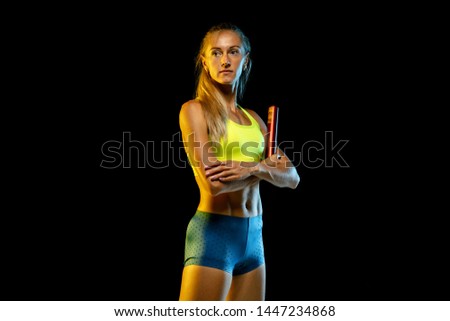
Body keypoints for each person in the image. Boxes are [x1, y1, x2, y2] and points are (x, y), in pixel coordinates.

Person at [178, 22, 300, 301]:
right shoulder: (194, 111)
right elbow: (214, 186)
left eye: (233, 52)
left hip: (254, 237)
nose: (225, 60)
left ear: (246, 61)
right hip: (215, 234)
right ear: (204, 61)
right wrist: (269, 170)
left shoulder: (255, 120)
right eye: (216, 53)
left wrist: (253, 167)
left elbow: (293, 178)